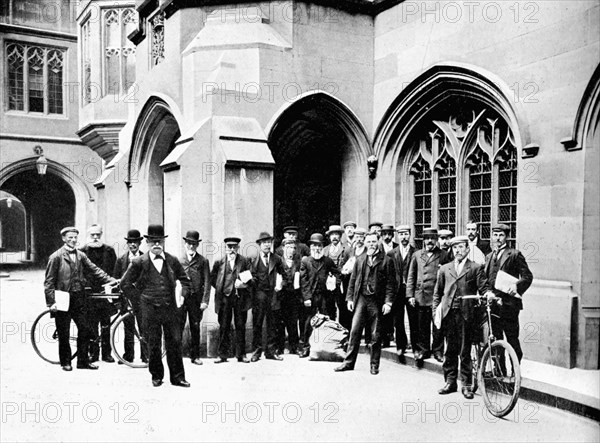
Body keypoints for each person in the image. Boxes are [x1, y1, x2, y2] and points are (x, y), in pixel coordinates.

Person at [120, 224, 191, 387]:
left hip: (170, 308)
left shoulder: (172, 260)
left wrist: (181, 295)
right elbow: (124, 284)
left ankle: (178, 377)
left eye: (159, 241)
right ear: (147, 243)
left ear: (163, 242)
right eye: (153, 242)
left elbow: (185, 280)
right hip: (149, 310)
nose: (157, 245)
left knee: (174, 341)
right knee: (153, 343)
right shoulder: (139, 262)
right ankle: (156, 376)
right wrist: (139, 300)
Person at [44, 226, 116, 371]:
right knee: (63, 332)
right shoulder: (56, 257)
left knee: (85, 329)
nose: (73, 240)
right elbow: (49, 282)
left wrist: (110, 280)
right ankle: (66, 362)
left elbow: (94, 269)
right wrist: (51, 302)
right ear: (64, 239)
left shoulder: (80, 255)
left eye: (75, 237)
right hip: (63, 298)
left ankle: (82, 362)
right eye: (70, 237)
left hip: (79, 297)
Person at [433, 236, 489, 399]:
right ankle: (450, 381)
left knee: (465, 350)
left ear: (467, 249)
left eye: (461, 247)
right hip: (449, 313)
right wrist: (436, 311)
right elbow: (438, 293)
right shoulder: (445, 268)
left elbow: (483, 287)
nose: (457, 250)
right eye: (455, 248)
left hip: (466, 314)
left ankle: (466, 385)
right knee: (450, 349)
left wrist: (488, 293)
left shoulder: (475, 268)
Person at [334, 232, 395, 375]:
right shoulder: (360, 259)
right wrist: (349, 298)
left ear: (378, 242)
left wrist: (388, 302)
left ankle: (374, 365)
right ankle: (348, 363)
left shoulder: (386, 261)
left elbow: (391, 284)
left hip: (377, 300)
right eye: (369, 242)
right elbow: (353, 280)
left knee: (375, 334)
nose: (371, 244)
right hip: (361, 298)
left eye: (374, 241)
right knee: (354, 331)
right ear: (365, 243)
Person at [483, 224, 533, 362]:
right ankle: (500, 373)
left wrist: (516, 287)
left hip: (509, 305)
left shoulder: (514, 254)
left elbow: (527, 277)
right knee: (496, 339)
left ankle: (515, 373)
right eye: (495, 235)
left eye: (501, 235)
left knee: (512, 338)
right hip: (493, 304)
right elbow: (485, 279)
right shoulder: (488, 257)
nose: (497, 238)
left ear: (507, 237)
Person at [211, 236, 252, 364]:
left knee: (240, 325)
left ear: (238, 248)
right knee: (224, 326)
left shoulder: (244, 261)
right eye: (229, 247)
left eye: (234, 247)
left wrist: (243, 285)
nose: (232, 250)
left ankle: (241, 355)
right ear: (225, 248)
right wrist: (222, 289)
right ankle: (222, 355)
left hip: (240, 298)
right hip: (225, 298)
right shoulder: (219, 262)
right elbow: (213, 279)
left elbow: (251, 280)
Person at [406, 227, 445, 364]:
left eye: (432, 238)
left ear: (436, 240)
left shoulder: (443, 255)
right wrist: (410, 295)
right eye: (427, 238)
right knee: (422, 325)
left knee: (438, 325)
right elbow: (411, 276)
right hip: (421, 295)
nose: (430, 241)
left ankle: (438, 351)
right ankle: (423, 350)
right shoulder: (417, 255)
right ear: (423, 240)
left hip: (437, 296)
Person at [80, 224, 117, 363]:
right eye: (92, 235)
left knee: (106, 322)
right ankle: (93, 353)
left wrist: (112, 286)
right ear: (88, 235)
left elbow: (113, 270)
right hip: (90, 292)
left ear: (101, 234)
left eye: (98, 235)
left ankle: (107, 354)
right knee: (91, 323)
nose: (95, 238)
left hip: (106, 291)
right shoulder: (82, 251)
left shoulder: (109, 250)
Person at [299, 233, 340, 358]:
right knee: (307, 322)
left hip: (325, 296)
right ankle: (305, 347)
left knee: (328, 320)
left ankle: (326, 347)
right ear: (310, 247)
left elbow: (338, 274)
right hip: (311, 297)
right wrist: (306, 297)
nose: (317, 248)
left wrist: (333, 282)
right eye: (314, 245)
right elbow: (303, 281)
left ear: (323, 246)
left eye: (319, 245)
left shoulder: (328, 261)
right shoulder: (305, 261)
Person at [250, 232, 286, 362]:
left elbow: (284, 276)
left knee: (272, 324)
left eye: (269, 242)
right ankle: (256, 352)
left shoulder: (276, 259)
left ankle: (271, 351)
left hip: (273, 295)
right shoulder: (253, 259)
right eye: (264, 242)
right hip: (259, 295)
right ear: (259, 244)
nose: (267, 245)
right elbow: (250, 277)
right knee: (257, 324)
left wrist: (281, 284)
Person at [113, 229, 146, 364]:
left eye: (135, 242)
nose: (133, 245)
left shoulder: (145, 258)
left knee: (143, 327)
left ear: (139, 243)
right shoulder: (121, 260)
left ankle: (145, 355)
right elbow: (116, 279)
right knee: (128, 327)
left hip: (141, 299)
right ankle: (128, 355)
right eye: (130, 242)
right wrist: (117, 301)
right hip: (125, 299)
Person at [179, 230, 210, 365]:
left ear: (197, 245)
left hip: (196, 299)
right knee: (178, 327)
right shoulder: (179, 260)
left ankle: (195, 356)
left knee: (195, 327)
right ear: (185, 244)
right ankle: (177, 354)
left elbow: (207, 283)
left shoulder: (203, 261)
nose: (191, 247)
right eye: (189, 244)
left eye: (194, 244)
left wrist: (205, 301)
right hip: (181, 298)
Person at [385, 225, 416, 359]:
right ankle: (400, 346)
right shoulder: (391, 253)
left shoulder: (416, 252)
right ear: (397, 236)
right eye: (401, 234)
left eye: (406, 234)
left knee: (414, 319)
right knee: (398, 319)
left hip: (410, 291)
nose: (404, 237)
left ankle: (416, 348)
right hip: (397, 291)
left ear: (410, 235)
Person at [277, 239, 302, 354]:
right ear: (283, 248)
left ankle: (294, 346)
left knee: (293, 321)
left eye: (293, 248)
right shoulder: (279, 261)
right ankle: (280, 347)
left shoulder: (298, 262)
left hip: (293, 295)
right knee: (280, 321)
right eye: (288, 247)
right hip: (281, 296)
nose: (291, 250)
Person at [323, 224, 347, 323]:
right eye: (332, 235)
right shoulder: (325, 250)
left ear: (340, 236)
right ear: (329, 237)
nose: (335, 237)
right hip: (328, 283)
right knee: (329, 307)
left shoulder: (347, 249)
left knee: (342, 307)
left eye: (337, 234)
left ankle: (344, 331)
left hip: (342, 282)